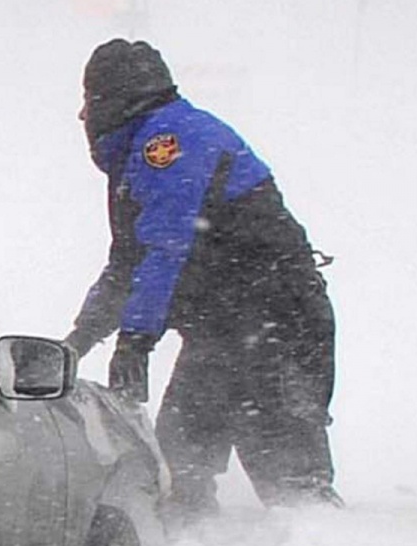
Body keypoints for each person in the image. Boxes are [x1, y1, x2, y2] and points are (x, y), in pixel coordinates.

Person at [63, 39, 339, 515]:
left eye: (89, 101)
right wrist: (77, 342)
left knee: (290, 479)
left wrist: (135, 340)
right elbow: (126, 265)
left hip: (272, 327)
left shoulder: (167, 145)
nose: (83, 116)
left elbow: (165, 248)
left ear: (113, 100)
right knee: (181, 464)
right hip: (231, 331)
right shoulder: (145, 151)